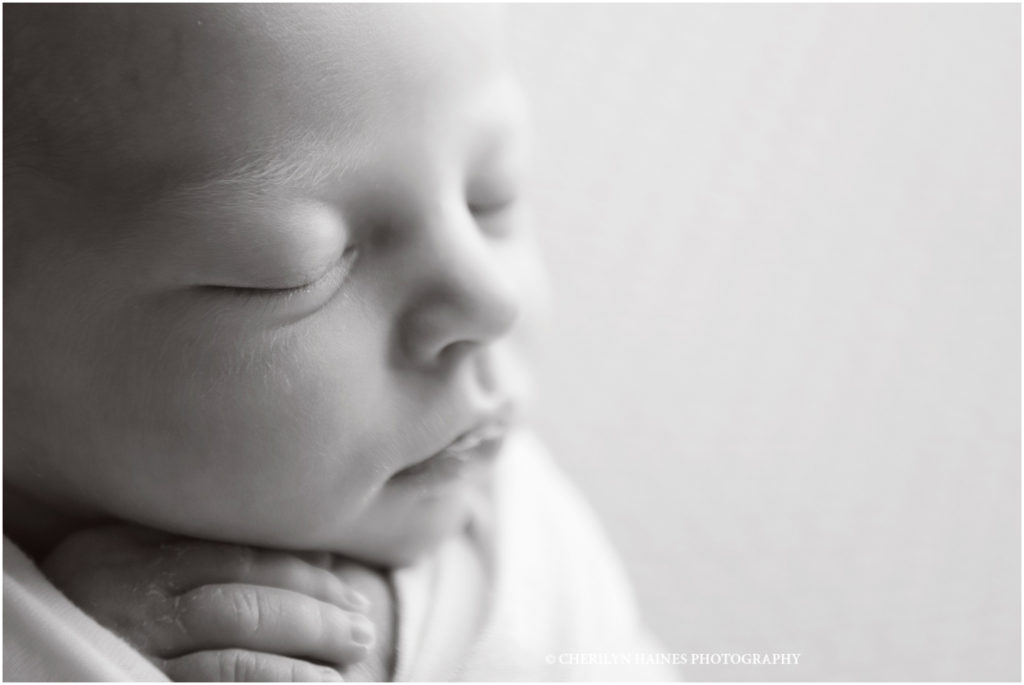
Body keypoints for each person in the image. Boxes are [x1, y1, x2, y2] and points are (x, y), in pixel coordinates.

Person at [3, 5, 675, 681]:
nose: (491, 301)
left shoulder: (516, 519)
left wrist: (397, 643)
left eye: (489, 197)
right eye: (300, 271)